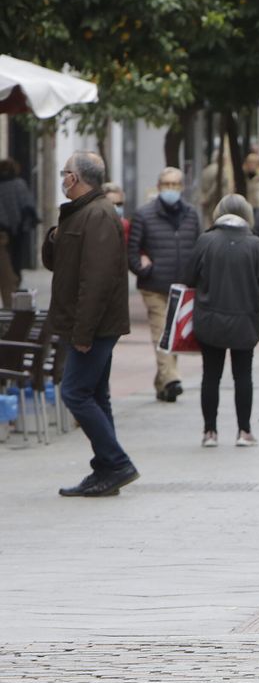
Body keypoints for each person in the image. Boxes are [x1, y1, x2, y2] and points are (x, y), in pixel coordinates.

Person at [43, 151, 138, 497]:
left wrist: (83, 333)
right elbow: (60, 265)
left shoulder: (98, 215)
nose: (62, 177)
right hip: (86, 324)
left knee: (74, 392)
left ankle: (116, 462)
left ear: (77, 178)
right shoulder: (78, 213)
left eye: (66, 172)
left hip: (95, 326)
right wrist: (54, 237)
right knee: (96, 394)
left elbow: (96, 281)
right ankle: (106, 470)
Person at [184, 193, 259, 448]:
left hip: (209, 318)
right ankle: (244, 431)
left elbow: (189, 276)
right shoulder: (256, 244)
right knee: (243, 375)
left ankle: (209, 432)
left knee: (210, 375)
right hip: (246, 320)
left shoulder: (205, 241)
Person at [127, 167, 201, 402]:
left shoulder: (191, 214)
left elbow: (199, 247)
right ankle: (172, 379)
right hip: (155, 286)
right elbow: (132, 251)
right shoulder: (144, 214)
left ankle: (163, 383)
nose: (171, 189)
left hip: (182, 286)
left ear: (182, 188)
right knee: (161, 333)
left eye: (175, 185)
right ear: (159, 188)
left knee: (174, 336)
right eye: (167, 185)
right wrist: (144, 269)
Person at [0, 158, 39, 306]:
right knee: (13, 269)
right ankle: (12, 300)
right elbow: (27, 207)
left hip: (3, 232)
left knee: (7, 269)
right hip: (17, 233)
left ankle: (11, 299)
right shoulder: (19, 184)